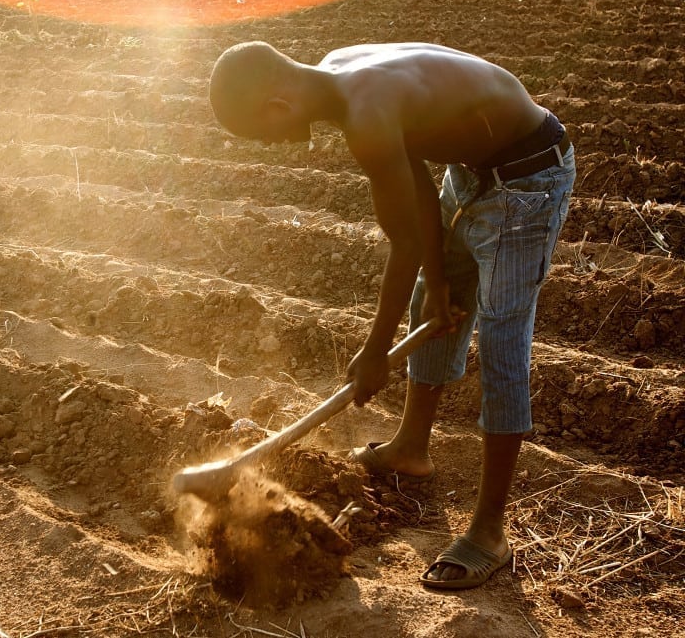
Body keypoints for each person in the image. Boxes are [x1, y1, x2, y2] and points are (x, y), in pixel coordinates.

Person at [208, 41, 575, 590]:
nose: (276, 145)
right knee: (431, 289)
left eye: (265, 135)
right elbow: (418, 195)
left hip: (527, 181)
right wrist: (439, 279)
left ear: (278, 106)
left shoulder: (365, 113)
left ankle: (490, 531)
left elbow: (402, 243)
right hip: (471, 170)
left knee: (501, 339)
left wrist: (375, 351)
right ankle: (410, 448)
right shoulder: (339, 74)